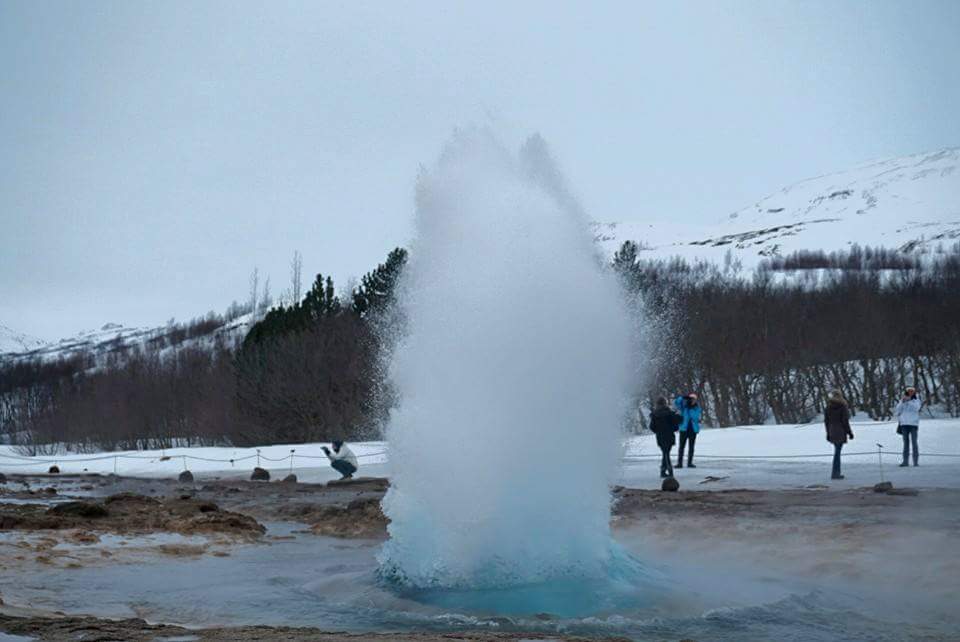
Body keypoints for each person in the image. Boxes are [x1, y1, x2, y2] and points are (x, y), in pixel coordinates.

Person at [824, 391, 854, 480]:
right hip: (840, 430)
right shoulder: (843, 407)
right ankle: (835, 473)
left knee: (837, 452)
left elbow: (826, 421)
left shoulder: (828, 407)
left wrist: (828, 433)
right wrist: (849, 432)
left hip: (832, 430)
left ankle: (836, 472)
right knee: (837, 453)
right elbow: (845, 421)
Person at [649, 397, 681, 478]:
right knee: (666, 453)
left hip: (660, 436)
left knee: (665, 453)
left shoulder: (655, 414)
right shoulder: (669, 413)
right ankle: (670, 471)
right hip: (669, 435)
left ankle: (663, 471)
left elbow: (652, 427)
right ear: (665, 403)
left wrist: (658, 431)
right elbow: (677, 423)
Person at [894, 387, 922, 467]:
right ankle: (905, 461)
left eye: (912, 391)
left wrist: (909, 401)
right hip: (904, 424)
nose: (910, 392)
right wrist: (902, 402)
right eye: (909, 391)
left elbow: (916, 408)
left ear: (914, 392)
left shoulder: (916, 400)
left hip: (913, 424)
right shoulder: (902, 400)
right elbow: (898, 411)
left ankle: (915, 462)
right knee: (905, 443)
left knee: (914, 443)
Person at [674, 392, 702, 468]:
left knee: (691, 447)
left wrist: (691, 409)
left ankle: (690, 463)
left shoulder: (697, 408)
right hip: (684, 429)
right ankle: (679, 463)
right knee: (681, 447)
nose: (692, 400)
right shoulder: (683, 407)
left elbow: (696, 417)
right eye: (691, 399)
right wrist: (683, 397)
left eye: (694, 399)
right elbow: (676, 402)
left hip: (693, 430)